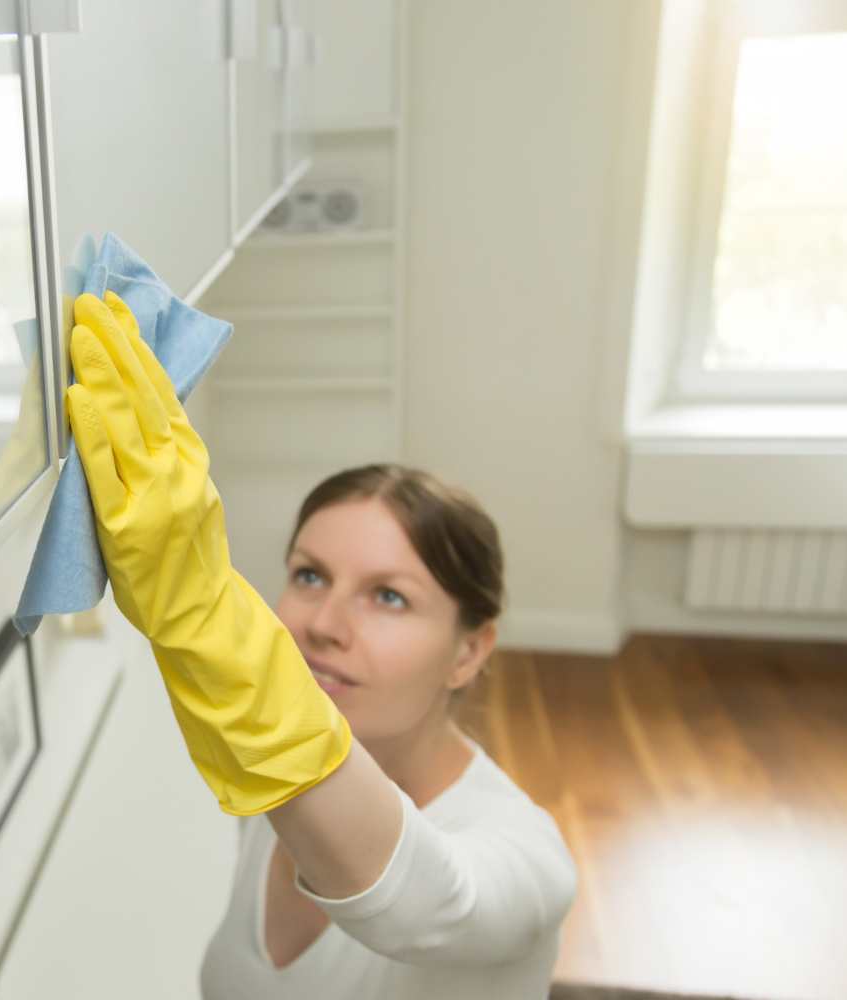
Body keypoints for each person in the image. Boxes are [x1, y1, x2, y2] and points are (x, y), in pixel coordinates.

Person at [64, 291, 578, 999]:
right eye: (309, 575)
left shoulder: (528, 857)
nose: (323, 624)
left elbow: (423, 904)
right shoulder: (272, 798)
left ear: (468, 652)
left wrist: (201, 609)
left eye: (389, 596)